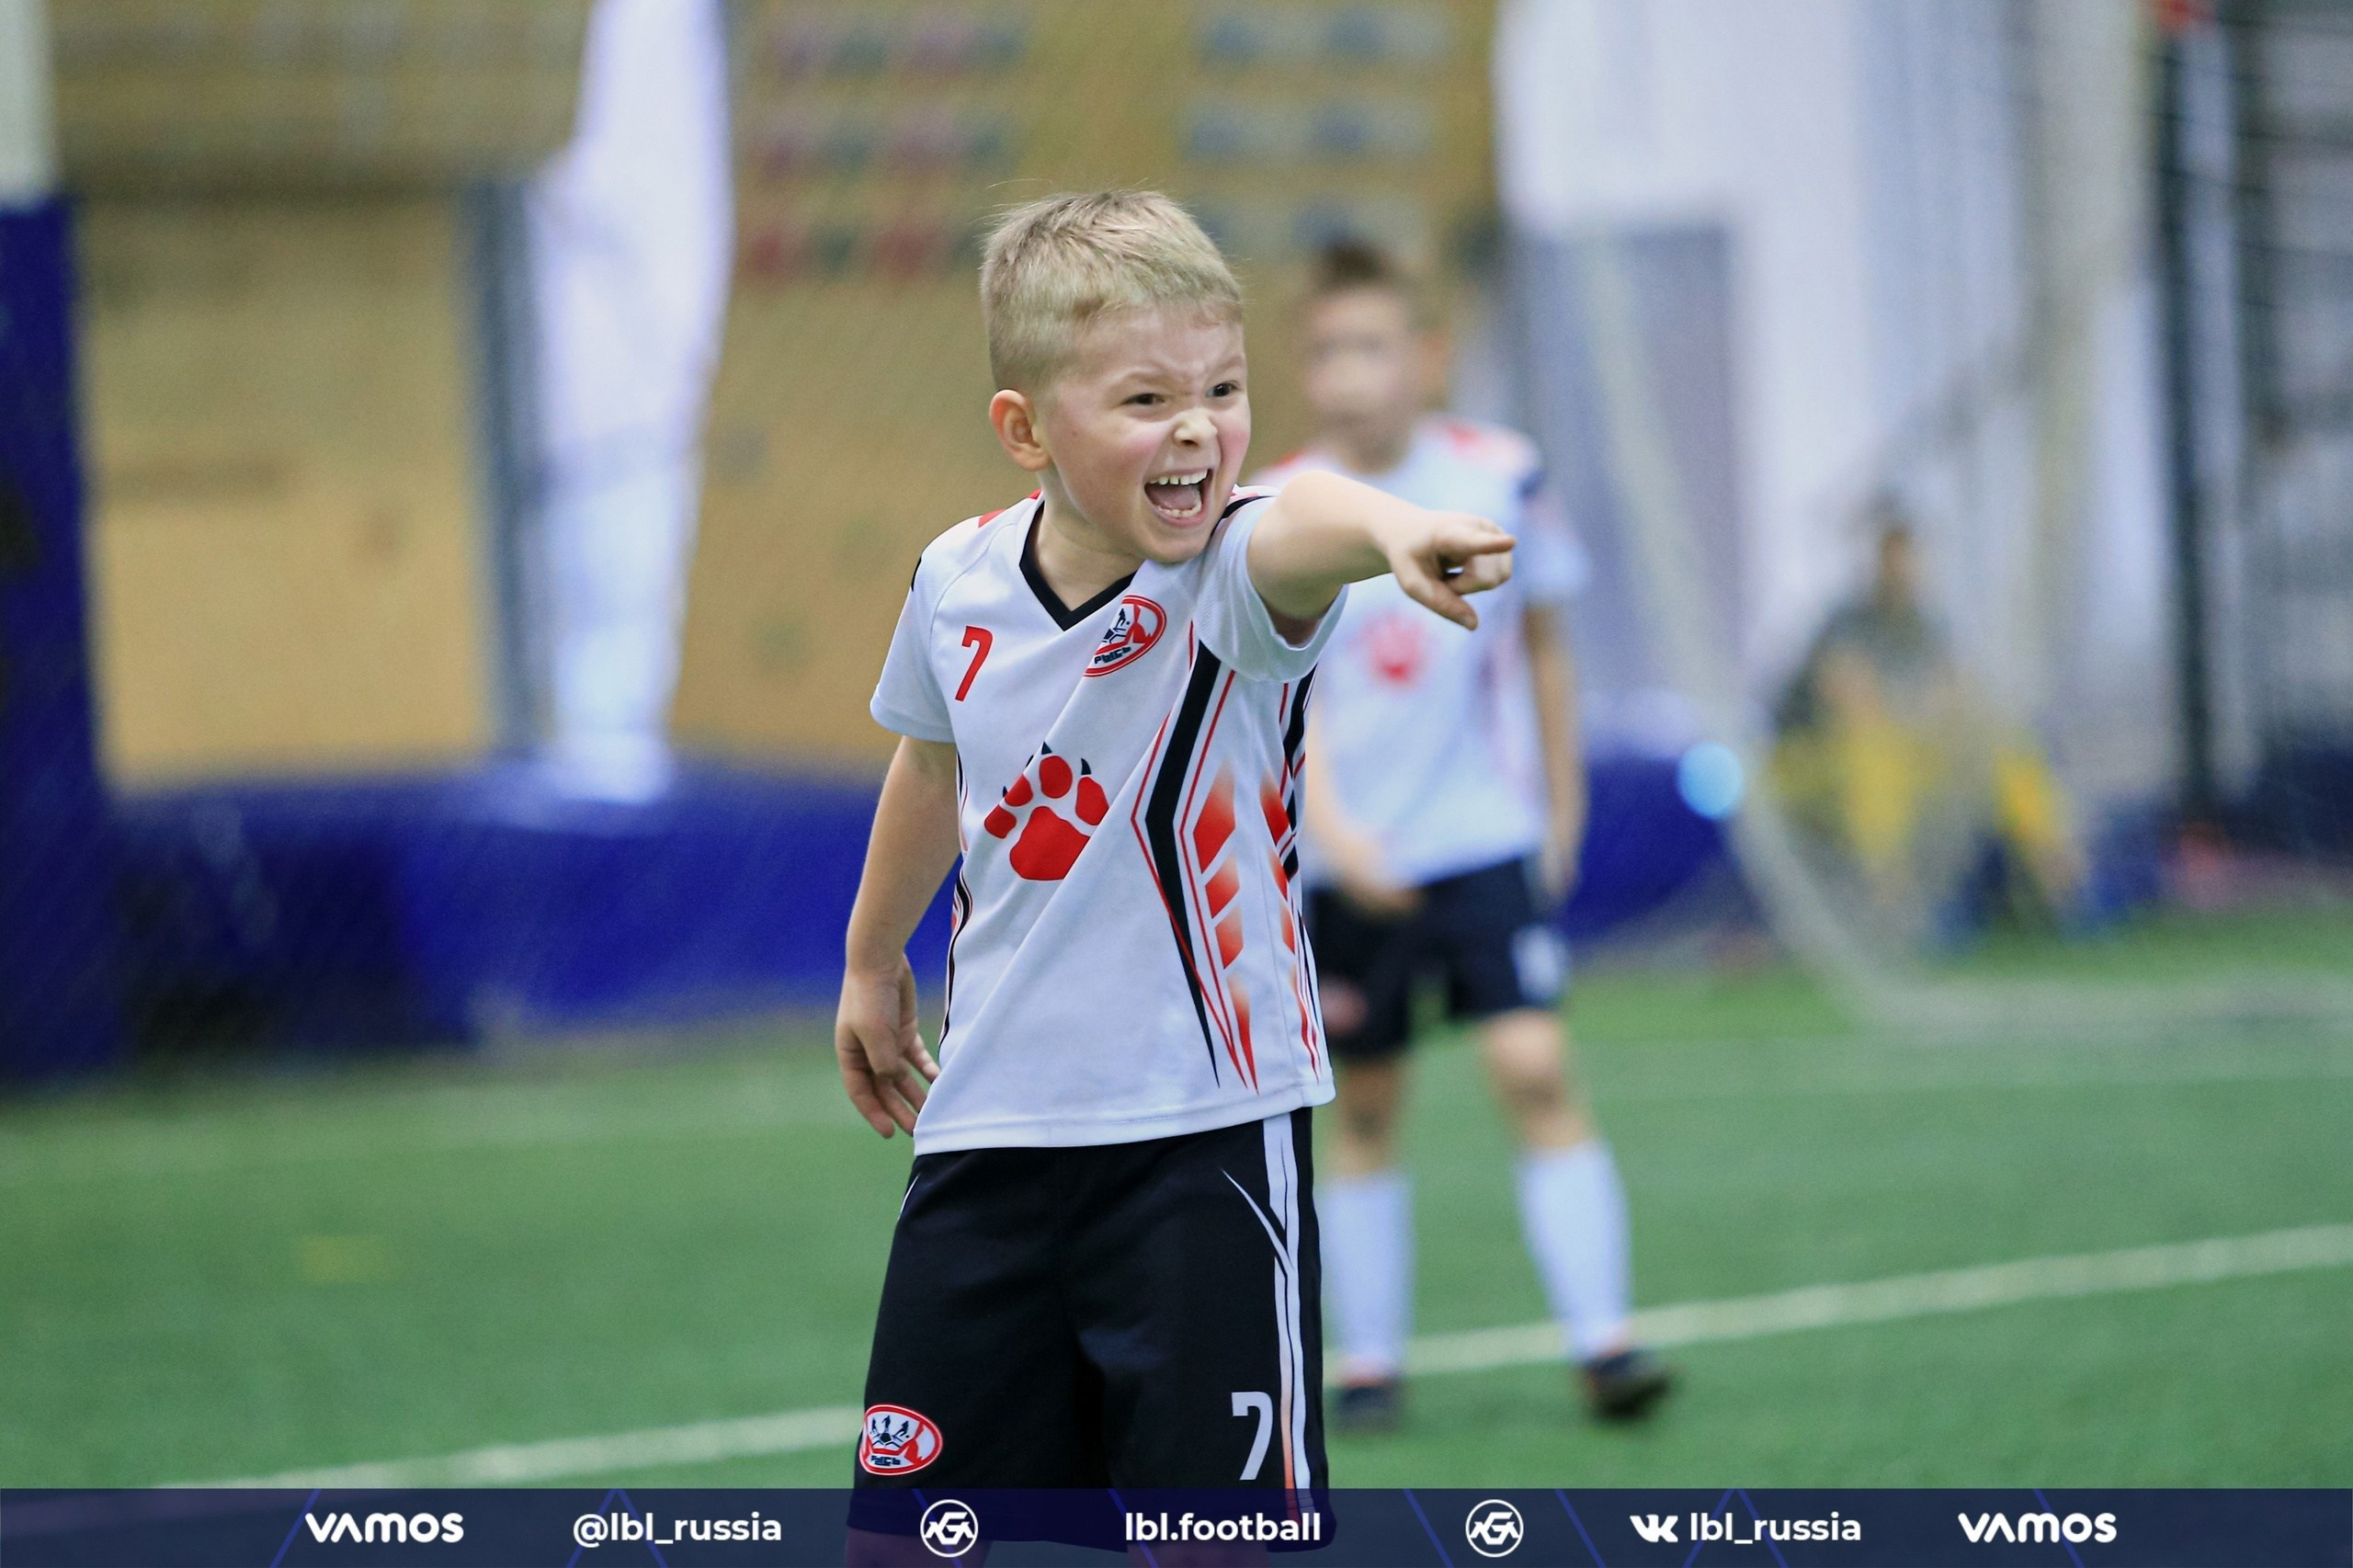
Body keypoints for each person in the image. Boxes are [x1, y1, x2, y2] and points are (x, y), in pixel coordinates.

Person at [835, 193, 1516, 1543]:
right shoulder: (953, 582)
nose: (1197, 426)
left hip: (1200, 1148)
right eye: (1146, 397)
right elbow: (929, 762)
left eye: (1223, 386)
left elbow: (1303, 512)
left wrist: (1388, 532)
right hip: (987, 1140)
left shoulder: (1231, 581)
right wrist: (870, 961)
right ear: (1026, 429)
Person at [1254, 241, 1672, 1432]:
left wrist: (1560, 814)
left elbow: (1543, 649)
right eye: (1328, 348)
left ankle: (1608, 1347)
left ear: (1427, 355)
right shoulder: (1290, 509)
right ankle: (1369, 1366)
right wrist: (1331, 833)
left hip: (1482, 835)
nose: (1350, 372)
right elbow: (1287, 694)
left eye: (1373, 345)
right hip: (1351, 860)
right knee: (1369, 1103)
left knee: (1534, 1067)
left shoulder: (1499, 471)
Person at [1772, 500, 2085, 934]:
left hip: (1906, 758)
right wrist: (1918, 711)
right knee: (1873, 752)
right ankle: (1892, 905)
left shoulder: (1926, 628)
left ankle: (2062, 885)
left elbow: (1955, 696)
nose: (1905, 567)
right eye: (1894, 555)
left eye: (1912, 556)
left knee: (2004, 746)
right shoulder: (1847, 623)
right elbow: (1851, 700)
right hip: (1815, 763)